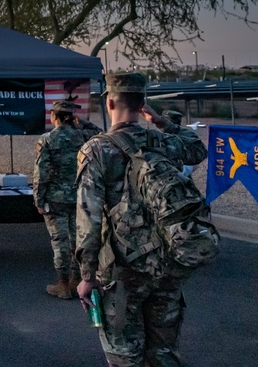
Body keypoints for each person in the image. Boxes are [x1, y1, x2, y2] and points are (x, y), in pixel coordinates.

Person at [74, 72, 207, 366]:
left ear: (109, 103)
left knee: (124, 354)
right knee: (163, 353)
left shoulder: (97, 150)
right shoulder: (162, 141)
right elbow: (198, 149)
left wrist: (86, 276)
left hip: (122, 275)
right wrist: (162, 122)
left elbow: (89, 218)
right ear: (143, 104)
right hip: (166, 268)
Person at [33, 100, 86, 299]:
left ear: (54, 117)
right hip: (79, 197)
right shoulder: (83, 136)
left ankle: (63, 284)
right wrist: (84, 123)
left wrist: (38, 199)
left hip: (55, 199)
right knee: (77, 239)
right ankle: (76, 279)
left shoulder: (47, 139)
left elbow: (41, 172)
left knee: (60, 241)